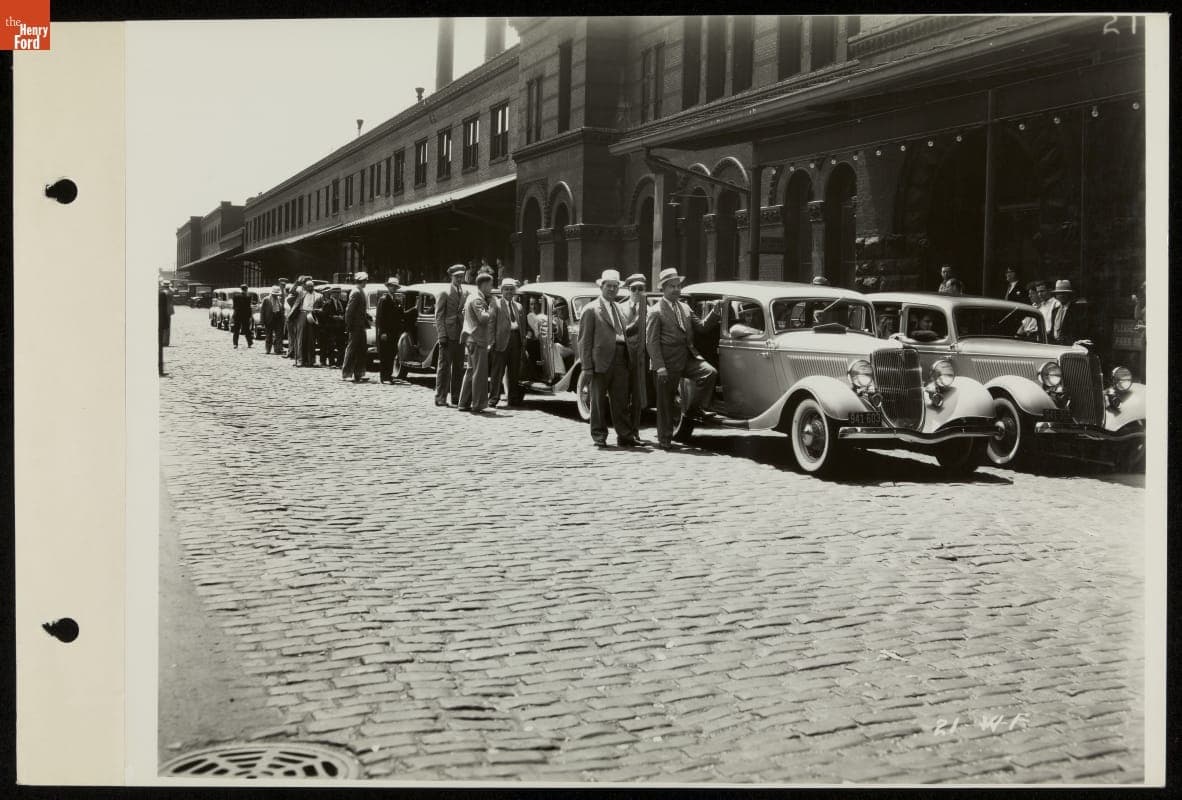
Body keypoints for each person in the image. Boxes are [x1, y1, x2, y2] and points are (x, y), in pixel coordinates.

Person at [646, 267, 721, 449]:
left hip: (687, 358)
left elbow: (701, 327)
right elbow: (651, 343)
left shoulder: (685, 308)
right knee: (665, 402)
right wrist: (660, 367)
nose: (677, 290)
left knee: (709, 373)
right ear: (663, 289)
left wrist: (715, 312)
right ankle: (665, 440)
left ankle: (693, 410)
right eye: (672, 286)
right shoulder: (656, 311)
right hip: (667, 363)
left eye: (678, 286)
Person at [579, 269, 643, 448]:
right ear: (601, 286)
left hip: (621, 357)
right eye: (609, 286)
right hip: (601, 360)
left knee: (621, 398)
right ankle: (599, 435)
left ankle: (624, 435)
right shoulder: (591, 309)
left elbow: (623, 332)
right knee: (598, 400)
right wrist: (586, 366)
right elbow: (584, 340)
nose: (612, 290)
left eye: (615, 287)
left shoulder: (618, 308)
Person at [458, 272, 494, 413]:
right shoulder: (477, 299)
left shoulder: (472, 297)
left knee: (471, 371)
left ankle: (463, 403)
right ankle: (478, 404)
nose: (491, 288)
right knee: (479, 373)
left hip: (472, 338)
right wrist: (492, 307)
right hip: (478, 340)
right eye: (490, 285)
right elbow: (483, 318)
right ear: (484, 285)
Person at [488, 278, 526, 407]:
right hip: (501, 341)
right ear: (501, 291)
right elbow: (491, 324)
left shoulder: (519, 306)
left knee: (514, 371)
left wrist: (523, 341)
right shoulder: (496, 304)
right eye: (506, 289)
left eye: (511, 289)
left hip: (516, 340)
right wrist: (491, 342)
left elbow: (522, 326)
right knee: (497, 371)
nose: (509, 292)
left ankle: (513, 398)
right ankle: (493, 398)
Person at [621, 273, 649, 435]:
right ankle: (624, 431)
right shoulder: (620, 308)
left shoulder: (650, 309)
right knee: (623, 394)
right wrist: (637, 323)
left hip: (641, 358)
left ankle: (635, 430)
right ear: (628, 290)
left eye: (641, 289)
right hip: (623, 355)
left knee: (638, 396)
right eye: (634, 289)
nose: (637, 292)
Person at [435, 264, 467, 406]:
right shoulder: (445, 293)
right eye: (457, 277)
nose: (460, 279)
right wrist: (442, 335)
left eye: (461, 276)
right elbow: (439, 316)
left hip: (460, 334)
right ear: (451, 277)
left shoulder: (465, 292)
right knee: (444, 368)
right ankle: (440, 397)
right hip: (448, 334)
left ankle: (456, 397)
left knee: (459, 367)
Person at [375, 277, 408, 383]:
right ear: (388, 287)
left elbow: (400, 315)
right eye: (392, 286)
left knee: (392, 353)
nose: (394, 288)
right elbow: (380, 317)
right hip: (386, 331)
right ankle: (384, 377)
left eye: (395, 287)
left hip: (394, 332)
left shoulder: (396, 300)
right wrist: (382, 332)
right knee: (385, 354)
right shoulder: (384, 299)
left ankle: (388, 375)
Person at [341, 272, 370, 383]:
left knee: (361, 349)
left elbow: (359, 310)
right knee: (352, 349)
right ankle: (346, 373)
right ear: (361, 281)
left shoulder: (360, 291)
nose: (366, 282)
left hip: (361, 325)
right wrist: (349, 325)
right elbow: (349, 311)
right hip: (355, 326)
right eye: (365, 280)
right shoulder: (356, 292)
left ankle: (359, 373)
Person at [1050, 279, 1092, 348]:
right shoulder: (1055, 311)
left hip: (1070, 346)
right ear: (1055, 295)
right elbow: (1052, 331)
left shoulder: (1077, 310)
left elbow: (1078, 331)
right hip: (1055, 346)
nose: (1061, 295)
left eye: (1064, 293)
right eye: (1058, 293)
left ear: (1069, 294)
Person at [316, 286, 346, 366]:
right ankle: (331, 362)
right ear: (332, 294)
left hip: (341, 327)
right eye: (335, 293)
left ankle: (339, 362)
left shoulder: (343, 303)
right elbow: (324, 316)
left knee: (341, 345)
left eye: (339, 293)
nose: (337, 295)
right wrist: (333, 317)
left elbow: (345, 313)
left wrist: (343, 317)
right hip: (331, 328)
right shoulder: (328, 303)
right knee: (331, 345)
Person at [294, 278, 321, 367]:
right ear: (305, 287)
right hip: (302, 314)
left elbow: (322, 307)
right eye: (308, 286)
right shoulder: (301, 294)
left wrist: (317, 310)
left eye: (312, 286)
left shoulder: (318, 295)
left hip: (312, 315)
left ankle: (311, 360)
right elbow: (291, 291)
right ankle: (300, 360)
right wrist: (297, 282)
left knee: (311, 339)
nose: (310, 288)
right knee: (301, 338)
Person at [260, 285, 286, 355]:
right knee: (269, 335)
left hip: (278, 319)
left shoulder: (279, 299)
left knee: (278, 335)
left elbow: (282, 309)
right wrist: (262, 321)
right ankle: (268, 349)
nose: (275, 295)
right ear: (271, 293)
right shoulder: (266, 299)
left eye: (277, 294)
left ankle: (277, 349)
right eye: (274, 294)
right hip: (269, 319)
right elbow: (262, 311)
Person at [230, 284, 254, 348]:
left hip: (237, 315)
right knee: (247, 330)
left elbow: (234, 307)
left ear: (241, 289)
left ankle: (235, 344)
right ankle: (249, 343)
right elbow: (249, 308)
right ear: (247, 289)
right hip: (245, 316)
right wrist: (250, 316)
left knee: (236, 330)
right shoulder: (248, 297)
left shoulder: (236, 296)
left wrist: (234, 315)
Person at [158, 282, 169, 376]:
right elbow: (164, 311)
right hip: (159, 324)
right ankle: (159, 370)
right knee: (159, 348)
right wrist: (166, 325)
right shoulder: (161, 294)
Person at [160, 280, 175, 346]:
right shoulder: (171, 291)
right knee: (168, 326)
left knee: (162, 326)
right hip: (169, 310)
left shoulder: (162, 291)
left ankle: (162, 341)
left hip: (162, 309)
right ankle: (166, 341)